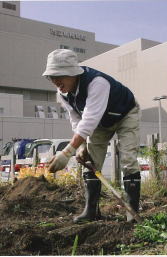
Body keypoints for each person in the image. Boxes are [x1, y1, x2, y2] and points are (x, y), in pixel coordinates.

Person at [42, 49, 141, 223]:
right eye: (51, 77)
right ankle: (91, 211)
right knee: (91, 162)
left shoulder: (97, 83)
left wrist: (66, 152)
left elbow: (89, 120)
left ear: (73, 73)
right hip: (100, 122)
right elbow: (76, 119)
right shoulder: (63, 93)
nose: (56, 81)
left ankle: (132, 213)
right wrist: (81, 147)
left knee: (128, 160)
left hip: (125, 114)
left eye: (59, 75)